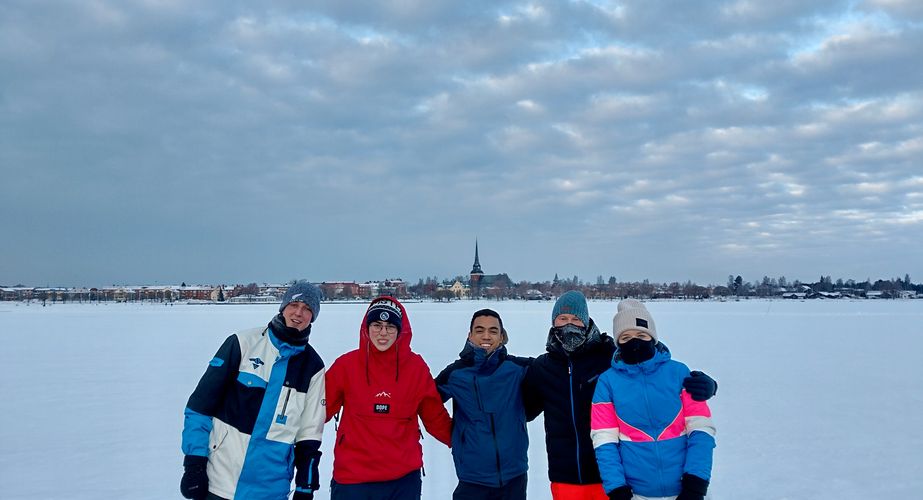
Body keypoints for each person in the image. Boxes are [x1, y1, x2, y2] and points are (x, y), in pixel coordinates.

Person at [522, 291, 717, 500]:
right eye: (563, 318)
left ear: (587, 322)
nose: (569, 324)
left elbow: (649, 363)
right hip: (566, 474)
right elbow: (521, 408)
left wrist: (708, 385)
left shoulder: (610, 355)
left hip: (612, 474)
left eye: (576, 319)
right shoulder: (542, 367)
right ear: (553, 322)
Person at [180, 280, 326, 500]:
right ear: (283, 307)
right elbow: (199, 408)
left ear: (313, 317)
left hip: (270, 489)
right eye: (294, 305)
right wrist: (194, 464)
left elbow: (309, 436)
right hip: (220, 483)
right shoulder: (242, 344)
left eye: (307, 309)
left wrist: (305, 487)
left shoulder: (313, 368)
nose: (299, 313)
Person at [324, 296, 453, 499]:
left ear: (401, 330)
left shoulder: (416, 368)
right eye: (377, 325)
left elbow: (435, 418)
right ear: (366, 328)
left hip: (402, 481)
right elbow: (316, 412)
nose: (383, 333)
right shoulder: (346, 366)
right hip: (353, 479)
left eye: (390, 326)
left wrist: (469, 443)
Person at [591, 299, 716, 500]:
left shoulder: (678, 373)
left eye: (641, 335)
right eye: (626, 337)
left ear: (653, 338)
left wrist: (696, 484)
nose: (635, 342)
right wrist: (616, 489)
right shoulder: (608, 382)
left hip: (686, 490)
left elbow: (701, 430)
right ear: (617, 342)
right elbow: (604, 440)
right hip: (638, 493)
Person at [435, 309, 532, 499]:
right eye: (479, 330)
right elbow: (426, 403)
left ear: (502, 337)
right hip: (473, 479)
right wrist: (453, 435)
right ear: (470, 335)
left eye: (493, 331)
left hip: (515, 476)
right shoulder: (456, 374)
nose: (486, 336)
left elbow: (555, 376)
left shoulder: (518, 369)